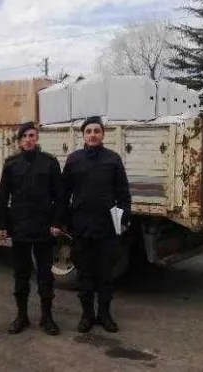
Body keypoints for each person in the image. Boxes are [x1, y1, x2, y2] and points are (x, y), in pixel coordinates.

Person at [62, 116, 131, 334]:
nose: (92, 135)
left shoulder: (113, 160)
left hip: (106, 228)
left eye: (96, 131)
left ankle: (105, 315)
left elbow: (123, 194)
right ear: (83, 135)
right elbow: (65, 194)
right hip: (81, 228)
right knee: (84, 274)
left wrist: (122, 221)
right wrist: (64, 222)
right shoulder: (74, 159)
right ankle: (87, 315)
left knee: (105, 274)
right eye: (88, 131)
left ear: (103, 134)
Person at [0, 122, 64, 336]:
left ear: (37, 138)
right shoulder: (11, 164)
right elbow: (3, 197)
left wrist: (56, 223)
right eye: (24, 136)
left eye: (32, 135)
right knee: (21, 274)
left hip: (44, 228)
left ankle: (47, 317)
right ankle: (22, 316)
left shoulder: (50, 163)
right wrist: (2, 226)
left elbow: (60, 197)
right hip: (20, 227)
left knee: (45, 275)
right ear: (19, 140)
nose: (28, 139)